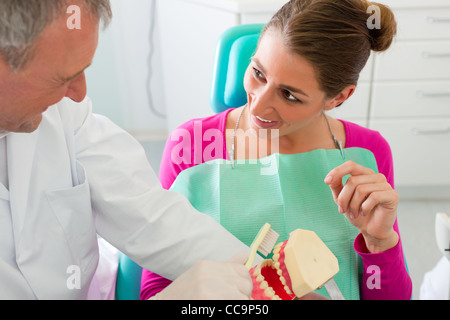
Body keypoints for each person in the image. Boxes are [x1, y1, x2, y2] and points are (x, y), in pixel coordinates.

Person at [141, 0, 412, 300]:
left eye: (289, 95)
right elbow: (156, 290)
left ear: (338, 97)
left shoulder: (367, 152)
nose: (257, 104)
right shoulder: (191, 146)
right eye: (258, 73)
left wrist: (379, 242)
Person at [0, 0, 254, 300]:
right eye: (62, 78)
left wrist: (268, 282)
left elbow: (150, 215)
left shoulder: (64, 112)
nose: (80, 94)